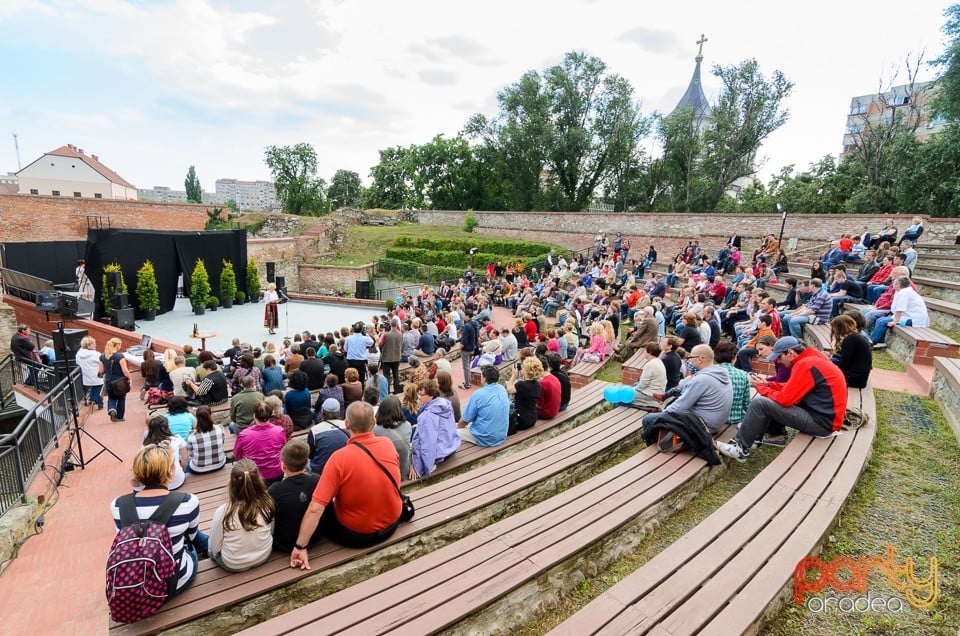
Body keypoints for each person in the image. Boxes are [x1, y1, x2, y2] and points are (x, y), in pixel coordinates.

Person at [289, 401, 403, 570]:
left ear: (347, 424)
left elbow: (316, 508)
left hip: (357, 535)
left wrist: (300, 547)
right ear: (374, 423)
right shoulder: (387, 443)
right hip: (392, 523)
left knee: (320, 502)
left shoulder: (339, 458)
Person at [717, 337, 848, 463]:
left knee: (759, 402)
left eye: (779, 357)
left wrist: (761, 388)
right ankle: (755, 439)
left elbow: (785, 400)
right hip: (825, 419)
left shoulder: (805, 364)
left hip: (822, 424)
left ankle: (740, 450)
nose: (778, 361)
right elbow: (792, 387)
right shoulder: (812, 359)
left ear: (790, 353)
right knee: (766, 400)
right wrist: (768, 384)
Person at [110, 445, 207, 598]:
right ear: (170, 470)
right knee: (192, 544)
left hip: (134, 583)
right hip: (173, 583)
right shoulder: (187, 502)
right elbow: (193, 537)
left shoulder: (118, 505)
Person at [642, 345, 733, 435]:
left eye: (690, 357)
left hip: (703, 426)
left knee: (648, 419)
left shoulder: (702, 379)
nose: (689, 360)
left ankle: (655, 447)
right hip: (715, 424)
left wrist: (662, 414)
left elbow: (680, 406)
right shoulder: (721, 373)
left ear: (699, 359)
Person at [208, 459, 275, 573]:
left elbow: (215, 548)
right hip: (263, 555)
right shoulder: (268, 503)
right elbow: (271, 531)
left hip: (233, 564)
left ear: (230, 483)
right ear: (258, 481)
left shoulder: (223, 511)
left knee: (210, 549)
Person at [268, 440, 322, 553]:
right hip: (315, 537)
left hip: (285, 544)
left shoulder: (275, 489)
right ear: (307, 462)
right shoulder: (316, 479)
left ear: (283, 466)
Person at [410, 379, 459, 479]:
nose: (419, 398)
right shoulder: (445, 404)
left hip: (439, 454)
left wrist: (417, 465)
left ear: (431, 395)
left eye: (422, 395)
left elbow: (427, 444)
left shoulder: (426, 415)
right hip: (451, 445)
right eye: (418, 394)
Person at [233, 401, 286, 485]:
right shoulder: (280, 431)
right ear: (270, 415)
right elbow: (283, 450)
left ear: (254, 415)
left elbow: (237, 455)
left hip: (253, 476)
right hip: (276, 473)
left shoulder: (244, 435)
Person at [870, 276, 930, 348]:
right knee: (880, 320)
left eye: (894, 283)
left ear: (899, 285)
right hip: (906, 316)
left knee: (882, 322)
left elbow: (900, 309)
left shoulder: (905, 293)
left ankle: (871, 342)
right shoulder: (901, 292)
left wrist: (895, 321)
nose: (892, 285)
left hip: (914, 319)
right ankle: (880, 341)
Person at [142, 415, 188, 490]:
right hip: (177, 480)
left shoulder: (145, 446)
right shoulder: (176, 439)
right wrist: (182, 470)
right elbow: (185, 458)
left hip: (157, 485)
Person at [307, 398, 349, 476]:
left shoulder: (315, 430)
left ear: (322, 412)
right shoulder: (347, 426)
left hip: (321, 470)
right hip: (344, 466)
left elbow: (310, 454)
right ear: (339, 412)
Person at [374, 395, 412, 478]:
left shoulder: (375, 431)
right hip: (404, 472)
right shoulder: (407, 426)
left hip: (386, 475)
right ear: (399, 409)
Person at [830, 314, 872, 389]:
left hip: (854, 379)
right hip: (859, 377)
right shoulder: (857, 336)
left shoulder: (850, 340)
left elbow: (844, 364)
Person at [714, 341, 751, 426]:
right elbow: (746, 403)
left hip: (715, 419)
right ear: (734, 357)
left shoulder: (709, 372)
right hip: (736, 418)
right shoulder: (743, 375)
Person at [100, 337, 132, 422]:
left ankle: (112, 409)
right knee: (121, 398)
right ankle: (120, 417)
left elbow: (101, 371)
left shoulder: (102, 356)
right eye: (120, 344)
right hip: (119, 381)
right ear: (117, 345)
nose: (120, 346)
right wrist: (129, 378)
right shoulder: (120, 356)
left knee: (111, 397)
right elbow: (125, 370)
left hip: (108, 380)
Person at [186, 406, 226, 474]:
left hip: (198, 469)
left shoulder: (192, 435)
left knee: (186, 461)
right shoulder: (220, 429)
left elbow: (190, 454)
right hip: (219, 464)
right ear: (211, 415)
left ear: (197, 418)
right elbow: (222, 443)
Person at [507, 356, 543, 433]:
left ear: (527, 370)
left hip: (521, 421)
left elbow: (509, 389)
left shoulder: (521, 385)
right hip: (533, 418)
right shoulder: (538, 385)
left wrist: (513, 375)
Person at [630, 342, 667, 411]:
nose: (643, 352)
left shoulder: (650, 365)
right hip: (658, 392)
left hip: (650, 395)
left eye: (644, 350)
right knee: (632, 387)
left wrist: (632, 390)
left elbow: (643, 384)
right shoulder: (659, 361)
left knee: (624, 395)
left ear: (649, 352)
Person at [75, 336, 103, 409]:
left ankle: (91, 400)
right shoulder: (96, 354)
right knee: (97, 391)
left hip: (87, 376)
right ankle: (100, 404)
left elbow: (77, 362)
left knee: (92, 388)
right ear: (88, 345)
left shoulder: (79, 354)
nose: (95, 345)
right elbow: (102, 362)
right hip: (97, 376)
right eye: (94, 343)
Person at [380, 321, 403, 394]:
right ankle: (396, 390)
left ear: (390, 325)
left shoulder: (386, 335)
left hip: (387, 358)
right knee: (395, 374)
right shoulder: (400, 334)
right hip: (397, 357)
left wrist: (382, 334)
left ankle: (387, 391)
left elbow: (380, 344)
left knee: (386, 375)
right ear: (397, 325)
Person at [459, 311, 479, 389]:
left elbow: (464, 340)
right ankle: (468, 381)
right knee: (468, 366)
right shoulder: (475, 324)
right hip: (472, 348)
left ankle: (467, 384)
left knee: (466, 367)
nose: (463, 316)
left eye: (464, 315)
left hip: (466, 349)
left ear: (467, 316)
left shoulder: (467, 326)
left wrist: (460, 347)